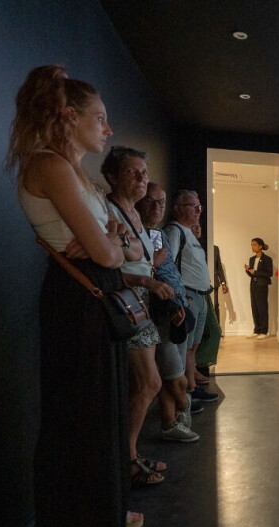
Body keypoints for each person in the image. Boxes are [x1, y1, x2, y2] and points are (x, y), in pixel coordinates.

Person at [7, 65, 139, 527]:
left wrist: (111, 244)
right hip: (77, 300)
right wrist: (110, 245)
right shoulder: (49, 166)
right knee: (77, 420)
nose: (108, 128)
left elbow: (125, 246)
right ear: (68, 116)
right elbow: (109, 251)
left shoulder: (75, 173)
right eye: (100, 118)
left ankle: (105, 518)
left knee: (102, 413)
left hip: (93, 294)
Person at [101, 147, 176, 483]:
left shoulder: (132, 215)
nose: (142, 178)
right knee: (150, 382)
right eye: (132, 172)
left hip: (138, 301)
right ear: (113, 177)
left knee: (143, 384)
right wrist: (145, 279)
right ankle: (127, 460)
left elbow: (133, 256)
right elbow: (106, 265)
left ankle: (129, 454)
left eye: (144, 172)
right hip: (125, 302)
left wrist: (149, 270)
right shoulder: (109, 211)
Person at [135, 182, 199, 441]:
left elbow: (169, 272)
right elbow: (143, 271)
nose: (156, 207)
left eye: (161, 202)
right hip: (156, 313)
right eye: (151, 201)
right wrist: (173, 303)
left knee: (171, 374)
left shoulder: (158, 234)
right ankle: (184, 406)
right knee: (175, 378)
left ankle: (169, 423)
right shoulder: (136, 232)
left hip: (175, 309)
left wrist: (181, 299)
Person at [164, 191, 219, 403]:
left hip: (200, 296)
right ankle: (183, 395)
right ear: (177, 208)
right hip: (188, 296)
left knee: (192, 347)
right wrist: (179, 296)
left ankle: (191, 387)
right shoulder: (174, 231)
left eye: (199, 206)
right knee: (184, 347)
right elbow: (167, 266)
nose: (198, 210)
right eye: (192, 206)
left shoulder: (189, 233)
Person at [245, 237, 273, 339]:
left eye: (254, 245)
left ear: (260, 246)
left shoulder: (267, 259)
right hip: (253, 285)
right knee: (254, 307)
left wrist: (255, 272)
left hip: (262, 286)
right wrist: (248, 270)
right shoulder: (252, 259)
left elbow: (269, 273)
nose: (252, 247)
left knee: (262, 307)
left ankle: (264, 331)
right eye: (251, 245)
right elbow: (252, 275)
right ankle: (257, 330)